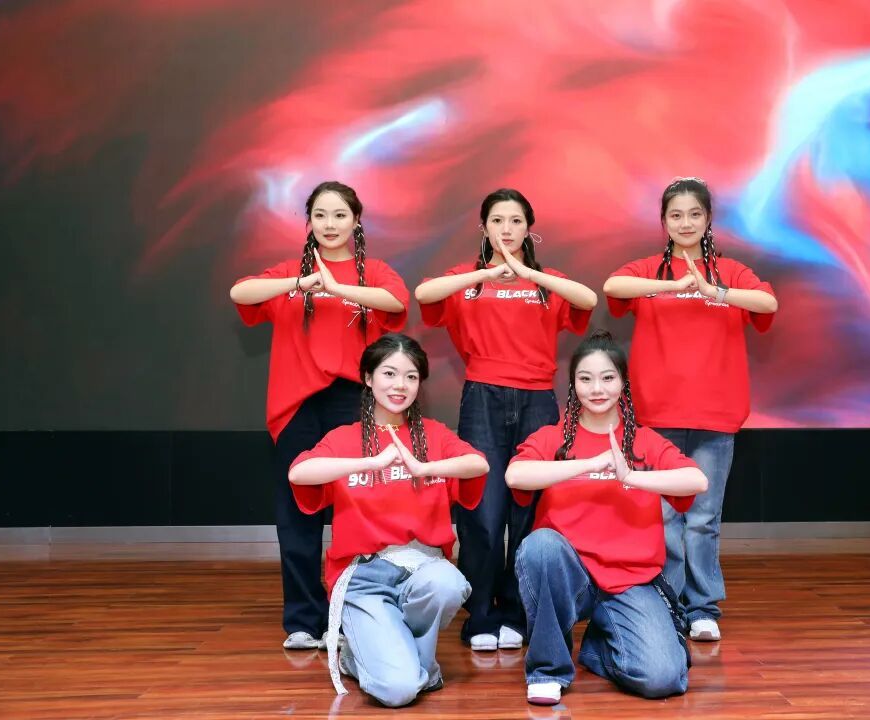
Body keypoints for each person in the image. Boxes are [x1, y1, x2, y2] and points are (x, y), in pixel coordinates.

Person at [414, 188, 597, 652]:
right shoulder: (467, 280)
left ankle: (518, 610)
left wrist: (528, 273)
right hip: (483, 397)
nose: (507, 229)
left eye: (516, 221)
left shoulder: (546, 282)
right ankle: (480, 614)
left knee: (530, 511)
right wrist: (486, 272)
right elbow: (423, 294)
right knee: (483, 511)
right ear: (484, 227)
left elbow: (587, 299)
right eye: (498, 221)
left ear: (529, 228)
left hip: (538, 400)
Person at [230, 181, 409, 649]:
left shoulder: (373, 272)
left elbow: (397, 303)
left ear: (356, 221)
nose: (330, 224)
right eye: (321, 215)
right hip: (297, 406)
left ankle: (357, 613)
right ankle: (304, 620)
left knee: (360, 509)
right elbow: (240, 292)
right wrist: (301, 283)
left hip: (352, 400)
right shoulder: (290, 272)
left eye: (340, 215)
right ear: (309, 221)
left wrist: (338, 287)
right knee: (297, 514)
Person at [603, 176, 777, 642]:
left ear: (708, 219)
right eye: (676, 215)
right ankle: (666, 601)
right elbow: (613, 286)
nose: (685, 222)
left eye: (694, 214)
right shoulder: (648, 270)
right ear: (663, 221)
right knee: (662, 516)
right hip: (657, 415)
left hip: (716, 415)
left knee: (702, 519)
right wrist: (673, 285)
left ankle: (702, 608)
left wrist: (714, 292)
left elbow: (766, 302)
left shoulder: (729, 271)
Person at [506, 330, 708, 705]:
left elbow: (697, 480)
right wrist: (591, 463)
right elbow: (516, 475)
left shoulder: (645, 441)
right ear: (573, 385)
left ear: (622, 383)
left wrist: (630, 476)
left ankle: (599, 646)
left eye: (607, 378)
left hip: (631, 580)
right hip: (572, 577)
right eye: (585, 379)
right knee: (540, 546)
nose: (597, 388)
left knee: (662, 679)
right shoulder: (552, 438)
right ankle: (548, 669)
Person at [288, 333, 488, 704]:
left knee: (449, 584)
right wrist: (370, 463)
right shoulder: (343, 438)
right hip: (365, 576)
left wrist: (424, 467)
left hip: (423, 569)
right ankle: (360, 656)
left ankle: (398, 655)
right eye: (389, 374)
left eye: (411, 376)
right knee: (398, 691)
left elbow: (478, 464)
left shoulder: (433, 435)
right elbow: (299, 473)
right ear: (368, 378)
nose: (400, 385)